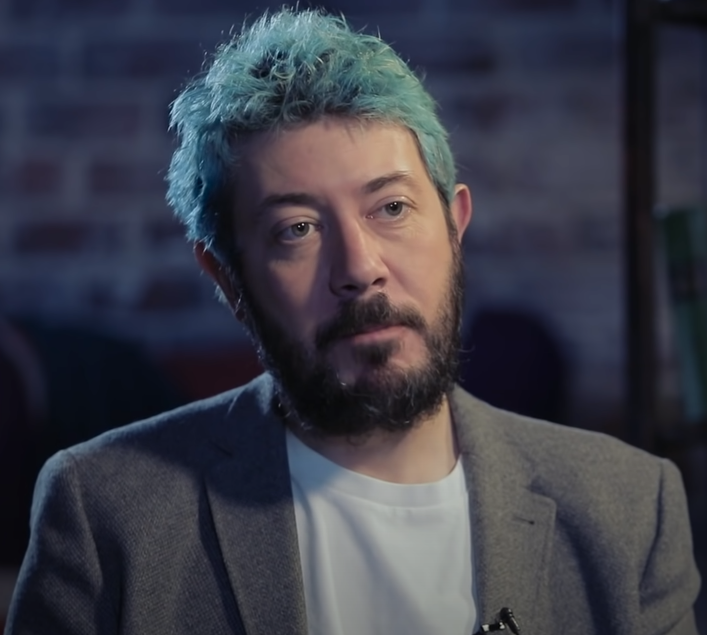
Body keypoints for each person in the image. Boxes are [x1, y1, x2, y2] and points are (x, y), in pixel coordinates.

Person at [5, 9, 701, 635]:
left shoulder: (628, 507)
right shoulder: (103, 514)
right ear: (227, 279)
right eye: (297, 229)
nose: (359, 268)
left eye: (391, 208)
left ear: (455, 225)